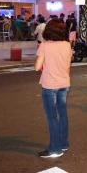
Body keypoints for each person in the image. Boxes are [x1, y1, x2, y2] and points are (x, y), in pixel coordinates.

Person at [34, 18, 73, 158]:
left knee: (52, 117)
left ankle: (55, 149)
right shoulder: (67, 45)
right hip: (64, 83)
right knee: (62, 114)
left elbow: (37, 67)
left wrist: (44, 63)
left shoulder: (44, 45)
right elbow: (68, 66)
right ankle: (63, 143)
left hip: (50, 85)